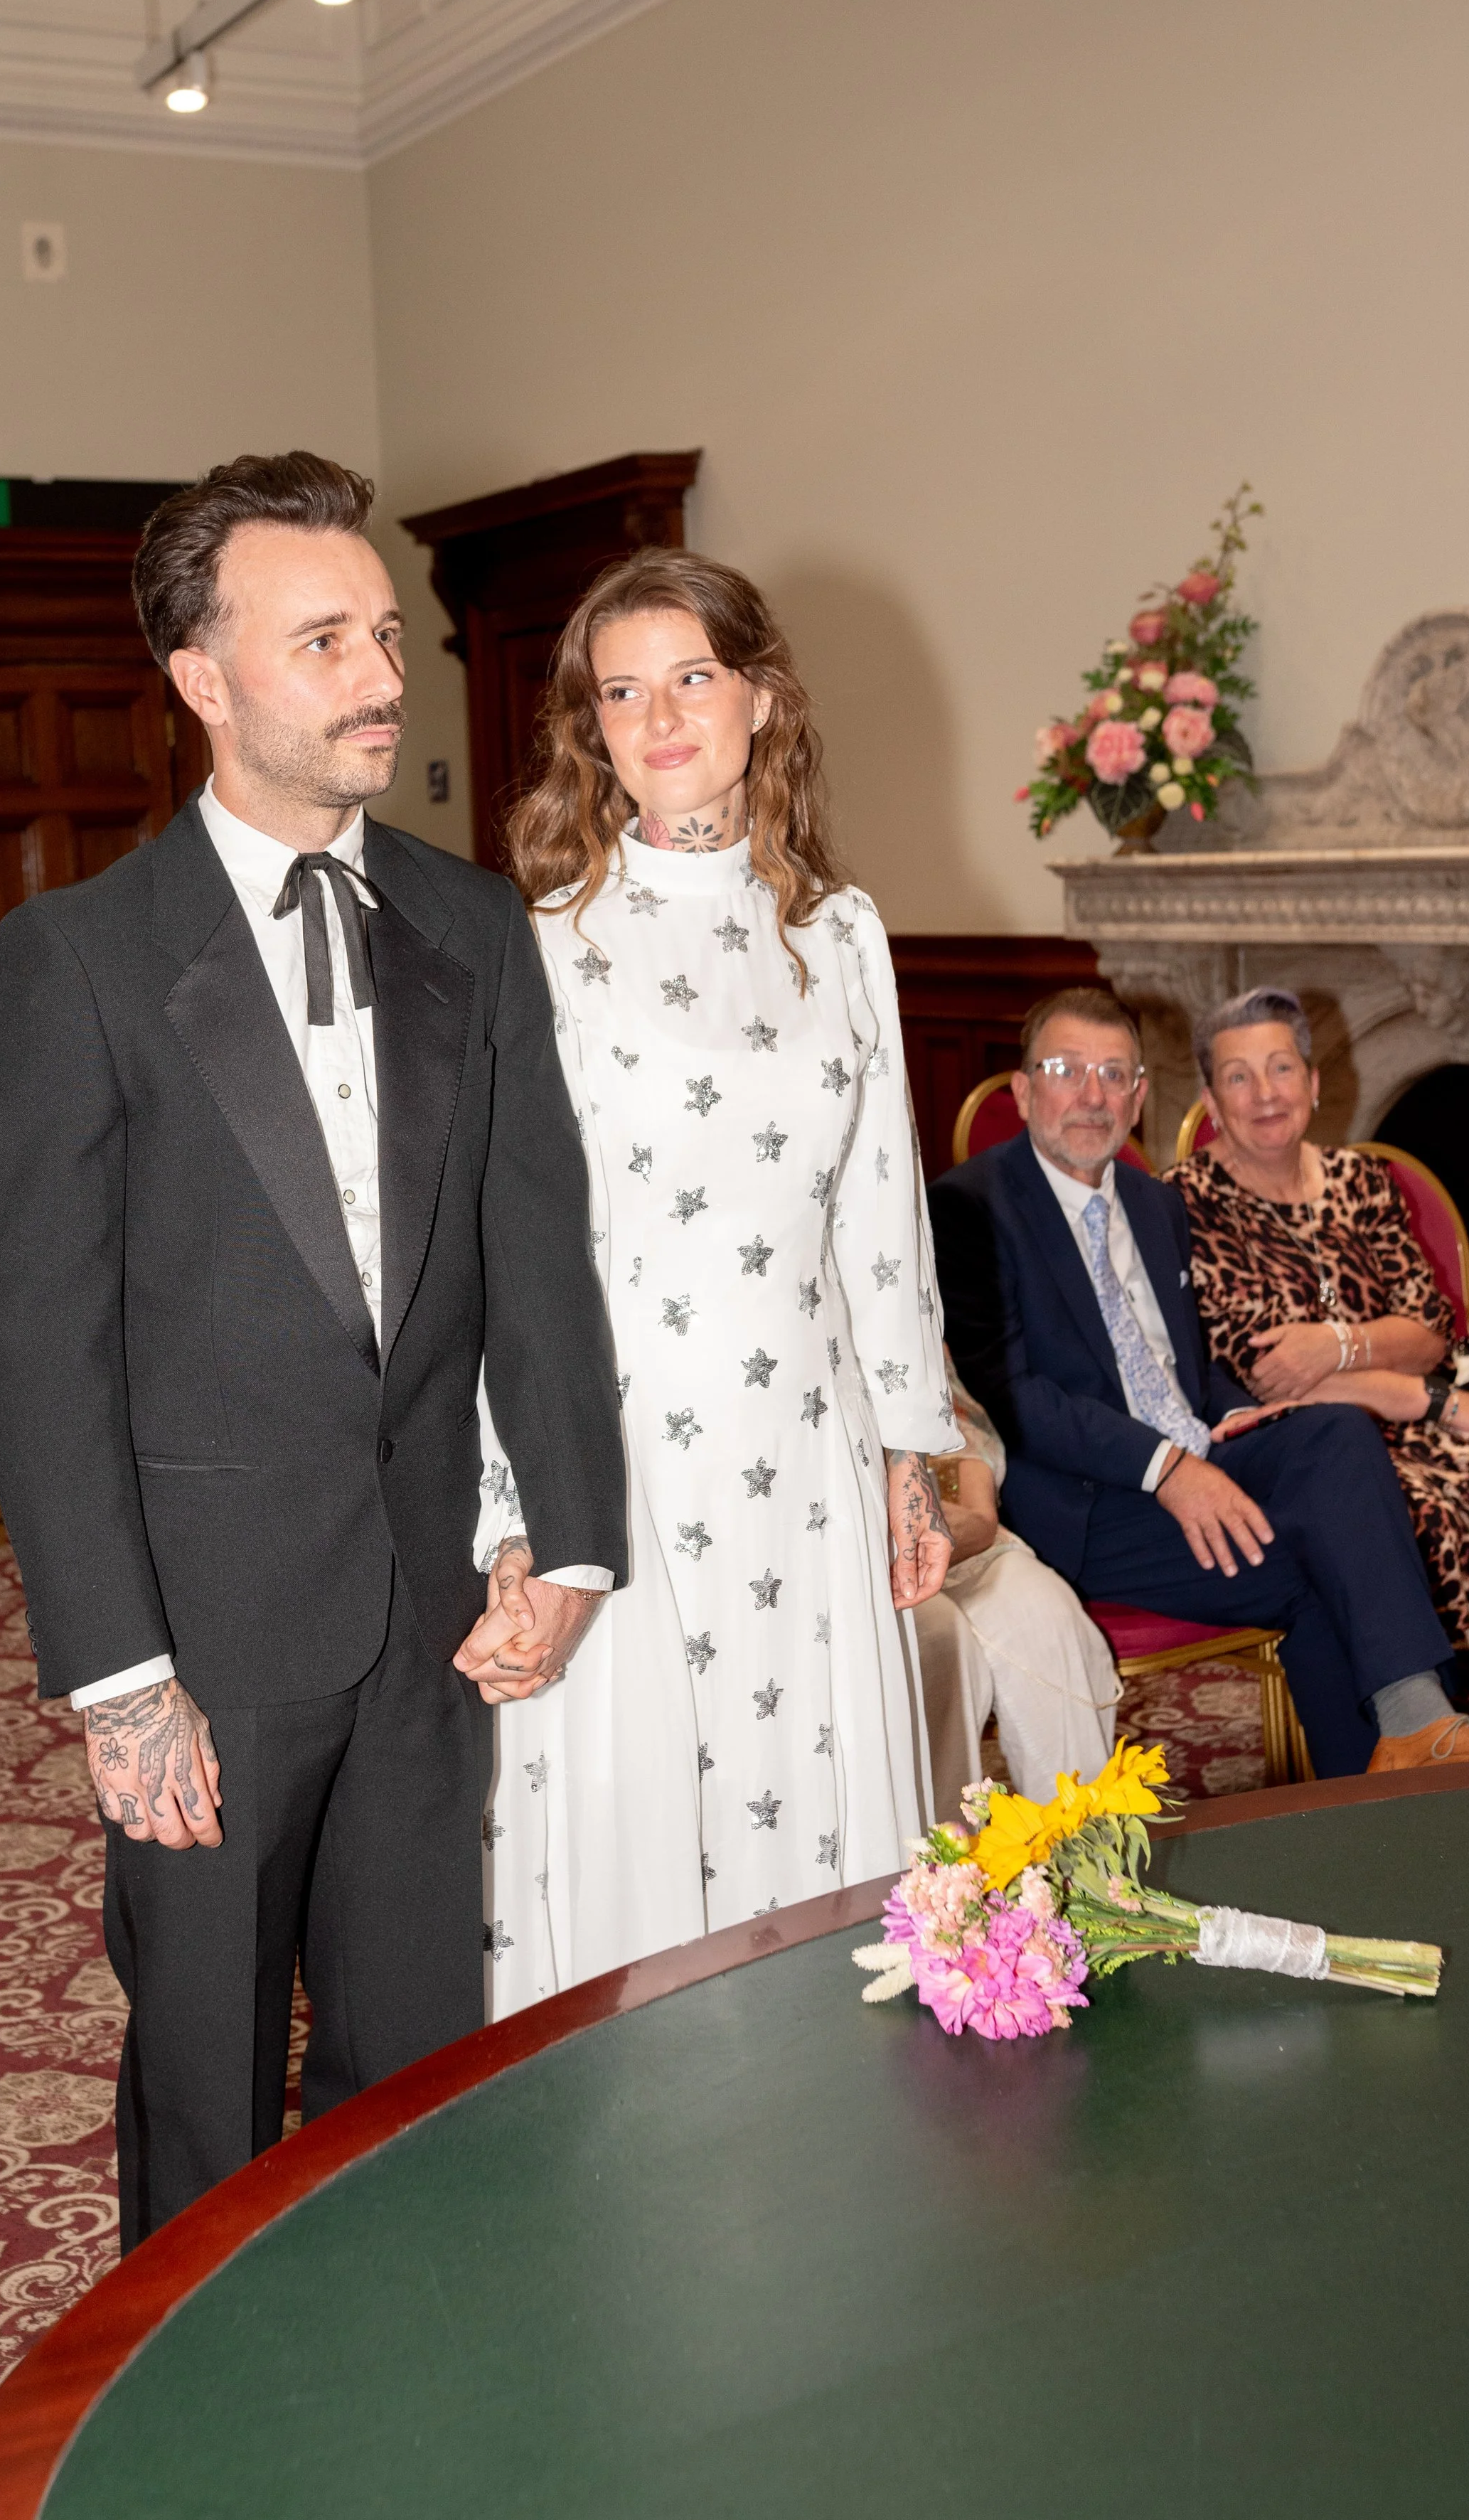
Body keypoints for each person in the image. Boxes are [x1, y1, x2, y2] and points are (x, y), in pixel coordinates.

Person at [0, 452, 628, 2248]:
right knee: (205, 2078)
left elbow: (530, 1256)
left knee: (413, 2075)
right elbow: (38, 1351)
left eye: (386, 635)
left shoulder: (472, 926)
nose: (380, 678)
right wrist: (117, 1676)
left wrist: (561, 1540)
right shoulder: (81, 960)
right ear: (204, 678)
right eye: (322, 639)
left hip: (430, 1620)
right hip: (206, 1641)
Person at [481, 549, 958, 2012]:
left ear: (758, 698)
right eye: (621, 693)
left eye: (691, 678)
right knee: (637, 1820)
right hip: (619, 1448)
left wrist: (908, 1456)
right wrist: (510, 1513)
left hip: (804, 1456)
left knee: (801, 1803)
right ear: (591, 729)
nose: (660, 718)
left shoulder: (840, 938)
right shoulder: (544, 944)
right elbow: (509, 1253)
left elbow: (878, 1209)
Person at [929, 986, 1469, 1778]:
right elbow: (1013, 1397)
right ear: (1025, 1089)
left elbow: (1187, 1368)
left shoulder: (1154, 1204)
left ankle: (1410, 1736)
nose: (1091, 1095)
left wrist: (1236, 1419)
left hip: (1198, 1449)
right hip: (1086, 1501)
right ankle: (1401, 1770)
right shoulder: (967, 1207)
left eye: (1113, 1074)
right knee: (1317, 1565)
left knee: (1332, 1432)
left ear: (1137, 1097)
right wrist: (1168, 1468)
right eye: (1066, 1070)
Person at [1168, 984, 1469, 1735]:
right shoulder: (1185, 1204)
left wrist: (1334, 1343)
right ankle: (1442, 1740)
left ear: (1313, 1082)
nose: (1264, 1094)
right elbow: (1264, 1371)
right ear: (1210, 1098)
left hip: (1412, 1406)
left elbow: (1429, 1326)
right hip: (1305, 1445)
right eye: (1238, 1076)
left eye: (1281, 1068)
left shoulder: (1361, 1180)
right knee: (1432, 1513)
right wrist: (1436, 1398)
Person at [911, 1351, 1120, 1811]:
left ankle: (1083, 1857)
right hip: (840, 1557)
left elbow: (960, 1415)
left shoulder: (901, 1284)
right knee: (938, 1639)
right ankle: (938, 1872)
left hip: (945, 1527)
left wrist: (979, 1519)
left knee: (1045, 1614)